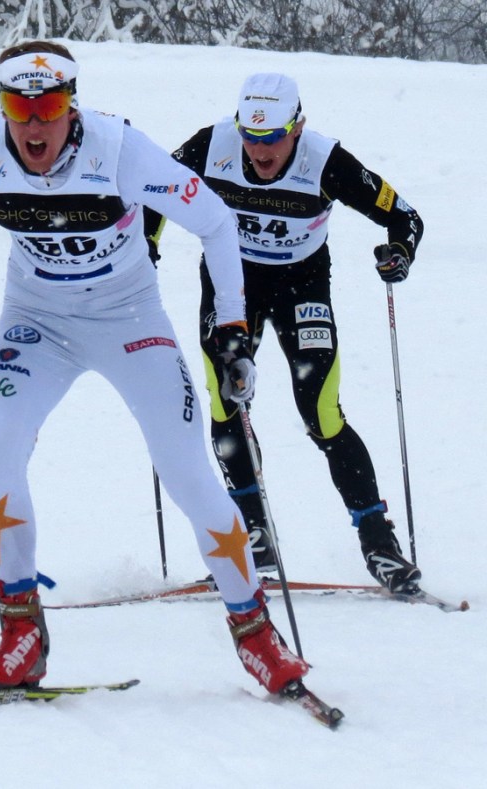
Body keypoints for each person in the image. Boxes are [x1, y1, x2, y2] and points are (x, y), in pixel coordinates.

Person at [0, 41, 308, 694]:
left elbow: (214, 222)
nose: (34, 124)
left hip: (130, 319)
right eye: (20, 106)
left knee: (187, 471)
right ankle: (21, 635)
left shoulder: (119, 149)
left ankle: (257, 635)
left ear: (74, 104)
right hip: (35, 321)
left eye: (49, 107)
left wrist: (234, 329)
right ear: (2, 105)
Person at [144, 73, 424, 593]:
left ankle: (378, 542)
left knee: (321, 410)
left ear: (297, 128)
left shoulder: (325, 160)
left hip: (302, 284)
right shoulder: (212, 146)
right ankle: (254, 535)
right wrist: (145, 249)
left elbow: (405, 217)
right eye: (250, 136)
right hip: (233, 285)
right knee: (227, 399)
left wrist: (398, 255)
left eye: (273, 137)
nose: (260, 150)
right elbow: (150, 193)